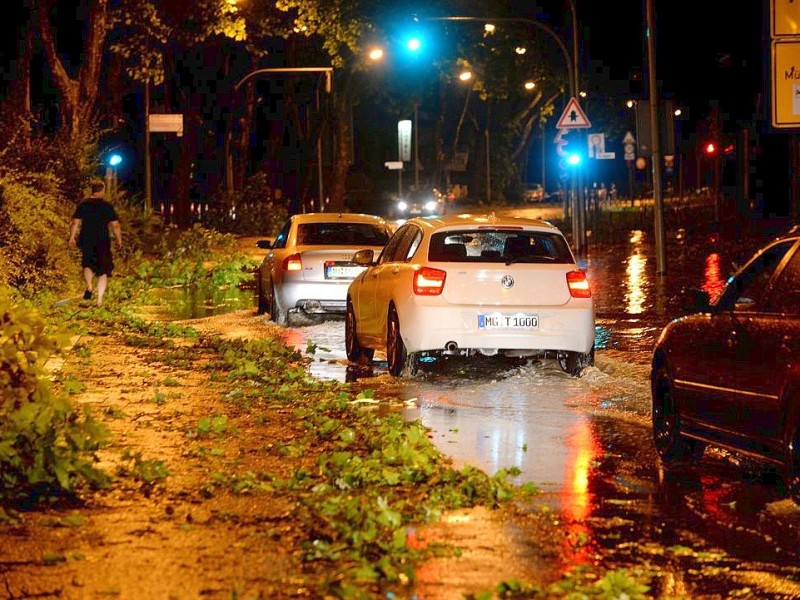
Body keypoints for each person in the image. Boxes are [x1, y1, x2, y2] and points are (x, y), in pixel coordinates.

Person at [68, 179, 122, 307]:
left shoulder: (83, 204)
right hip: (103, 240)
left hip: (86, 238)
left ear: (92, 190)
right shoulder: (107, 206)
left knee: (87, 264)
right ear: (102, 190)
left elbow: (75, 222)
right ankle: (99, 300)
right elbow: (115, 225)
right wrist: (119, 239)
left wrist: (72, 237)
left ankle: (89, 286)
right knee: (103, 271)